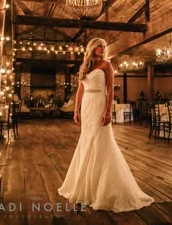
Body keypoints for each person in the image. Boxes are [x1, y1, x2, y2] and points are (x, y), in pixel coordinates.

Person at [58, 37, 154, 212]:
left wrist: (108, 110)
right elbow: (80, 89)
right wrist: (76, 110)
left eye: (104, 46)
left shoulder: (106, 65)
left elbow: (110, 89)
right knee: (87, 140)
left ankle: (103, 188)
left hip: (99, 103)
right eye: (100, 46)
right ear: (93, 47)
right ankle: (83, 185)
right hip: (87, 104)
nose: (103, 48)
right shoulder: (85, 66)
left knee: (101, 140)